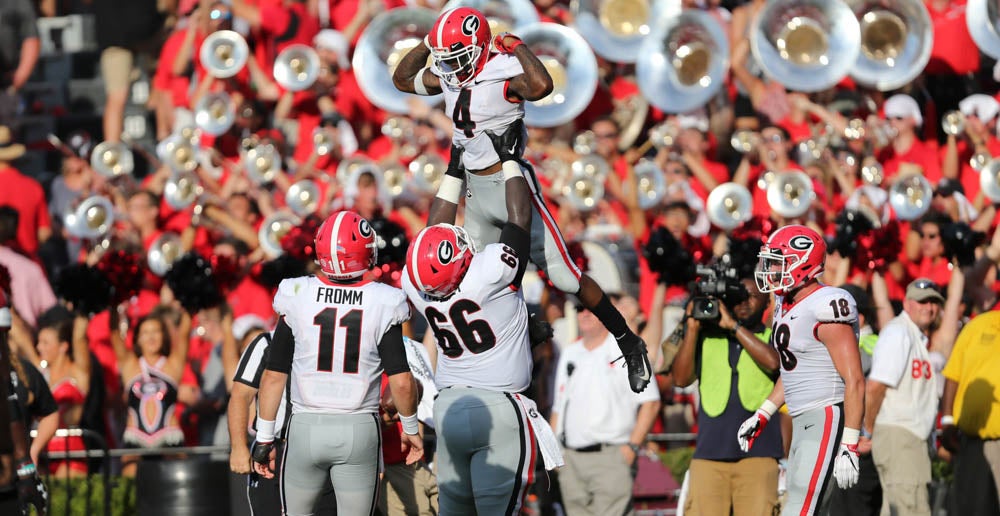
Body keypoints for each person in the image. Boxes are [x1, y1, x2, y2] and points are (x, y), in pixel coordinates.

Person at [392, 7, 652, 394]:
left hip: (512, 183)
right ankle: (523, 333)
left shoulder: (501, 68)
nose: (452, 68)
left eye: (457, 57)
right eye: (446, 59)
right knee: (475, 283)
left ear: (480, 47)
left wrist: (517, 46)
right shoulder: (449, 70)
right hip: (473, 192)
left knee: (564, 276)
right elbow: (401, 79)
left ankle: (628, 340)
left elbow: (543, 86)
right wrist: (430, 44)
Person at [252, 210, 423, 516]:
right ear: (366, 252)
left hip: (305, 426)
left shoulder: (296, 292)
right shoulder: (384, 299)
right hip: (359, 427)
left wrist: (264, 437)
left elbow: (274, 375)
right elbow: (400, 379)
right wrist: (410, 427)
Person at [402, 217, 562, 515]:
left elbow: (431, 242)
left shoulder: (416, 284)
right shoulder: (487, 273)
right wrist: (511, 171)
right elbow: (518, 223)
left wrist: (452, 175)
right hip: (499, 405)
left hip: (449, 407)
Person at [737, 225, 866, 516]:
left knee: (800, 509)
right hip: (802, 419)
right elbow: (794, 371)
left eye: (778, 263)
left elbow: (854, 380)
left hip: (826, 415)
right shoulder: (785, 303)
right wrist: (763, 413)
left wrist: (850, 443)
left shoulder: (828, 303)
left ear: (803, 264)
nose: (770, 270)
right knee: (801, 505)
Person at [670, 277, 782, 515]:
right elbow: (680, 379)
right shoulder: (707, 338)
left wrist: (733, 327)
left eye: (751, 296)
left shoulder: (772, 336)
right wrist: (691, 327)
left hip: (759, 454)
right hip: (709, 454)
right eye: (737, 297)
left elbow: (773, 363)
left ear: (767, 302)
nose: (743, 302)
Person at [549, 299, 662, 516]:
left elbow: (651, 402)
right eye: (579, 309)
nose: (584, 314)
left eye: (591, 309)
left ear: (606, 313)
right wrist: (555, 453)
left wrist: (632, 448)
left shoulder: (627, 348)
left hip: (611, 456)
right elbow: (558, 406)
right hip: (571, 458)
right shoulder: (570, 351)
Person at [859, 278, 943, 516]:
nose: (929, 308)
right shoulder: (898, 332)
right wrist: (869, 429)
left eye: (934, 302)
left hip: (906, 438)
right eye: (922, 301)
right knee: (911, 509)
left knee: (898, 508)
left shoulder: (913, 335)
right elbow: (875, 386)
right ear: (906, 303)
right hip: (899, 435)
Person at [110, 307, 191, 476]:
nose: (151, 337)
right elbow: (114, 334)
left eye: (156, 331)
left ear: (164, 336)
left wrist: (186, 300)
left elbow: (184, 332)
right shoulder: (130, 365)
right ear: (137, 338)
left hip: (169, 439)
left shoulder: (173, 364)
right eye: (145, 332)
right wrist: (114, 304)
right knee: (131, 490)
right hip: (135, 439)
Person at [940, 309, 1000, 516]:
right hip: (973, 442)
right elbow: (953, 374)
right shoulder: (977, 325)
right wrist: (947, 420)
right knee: (971, 510)